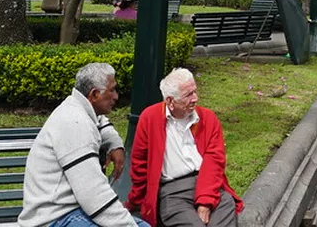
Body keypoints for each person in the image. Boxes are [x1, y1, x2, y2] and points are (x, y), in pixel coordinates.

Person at [18, 62, 146, 227]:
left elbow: (99, 120)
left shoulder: (77, 107)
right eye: (112, 90)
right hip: (54, 218)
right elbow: (94, 195)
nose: (116, 96)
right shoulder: (75, 124)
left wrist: (114, 143)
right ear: (94, 95)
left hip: (73, 211)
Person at [128, 68, 243, 227]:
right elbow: (139, 164)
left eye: (195, 91)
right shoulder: (150, 118)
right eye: (188, 95)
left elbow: (215, 161)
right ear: (170, 101)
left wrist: (205, 201)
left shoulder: (208, 118)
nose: (195, 98)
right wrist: (135, 201)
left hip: (208, 184)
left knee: (226, 205)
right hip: (172, 191)